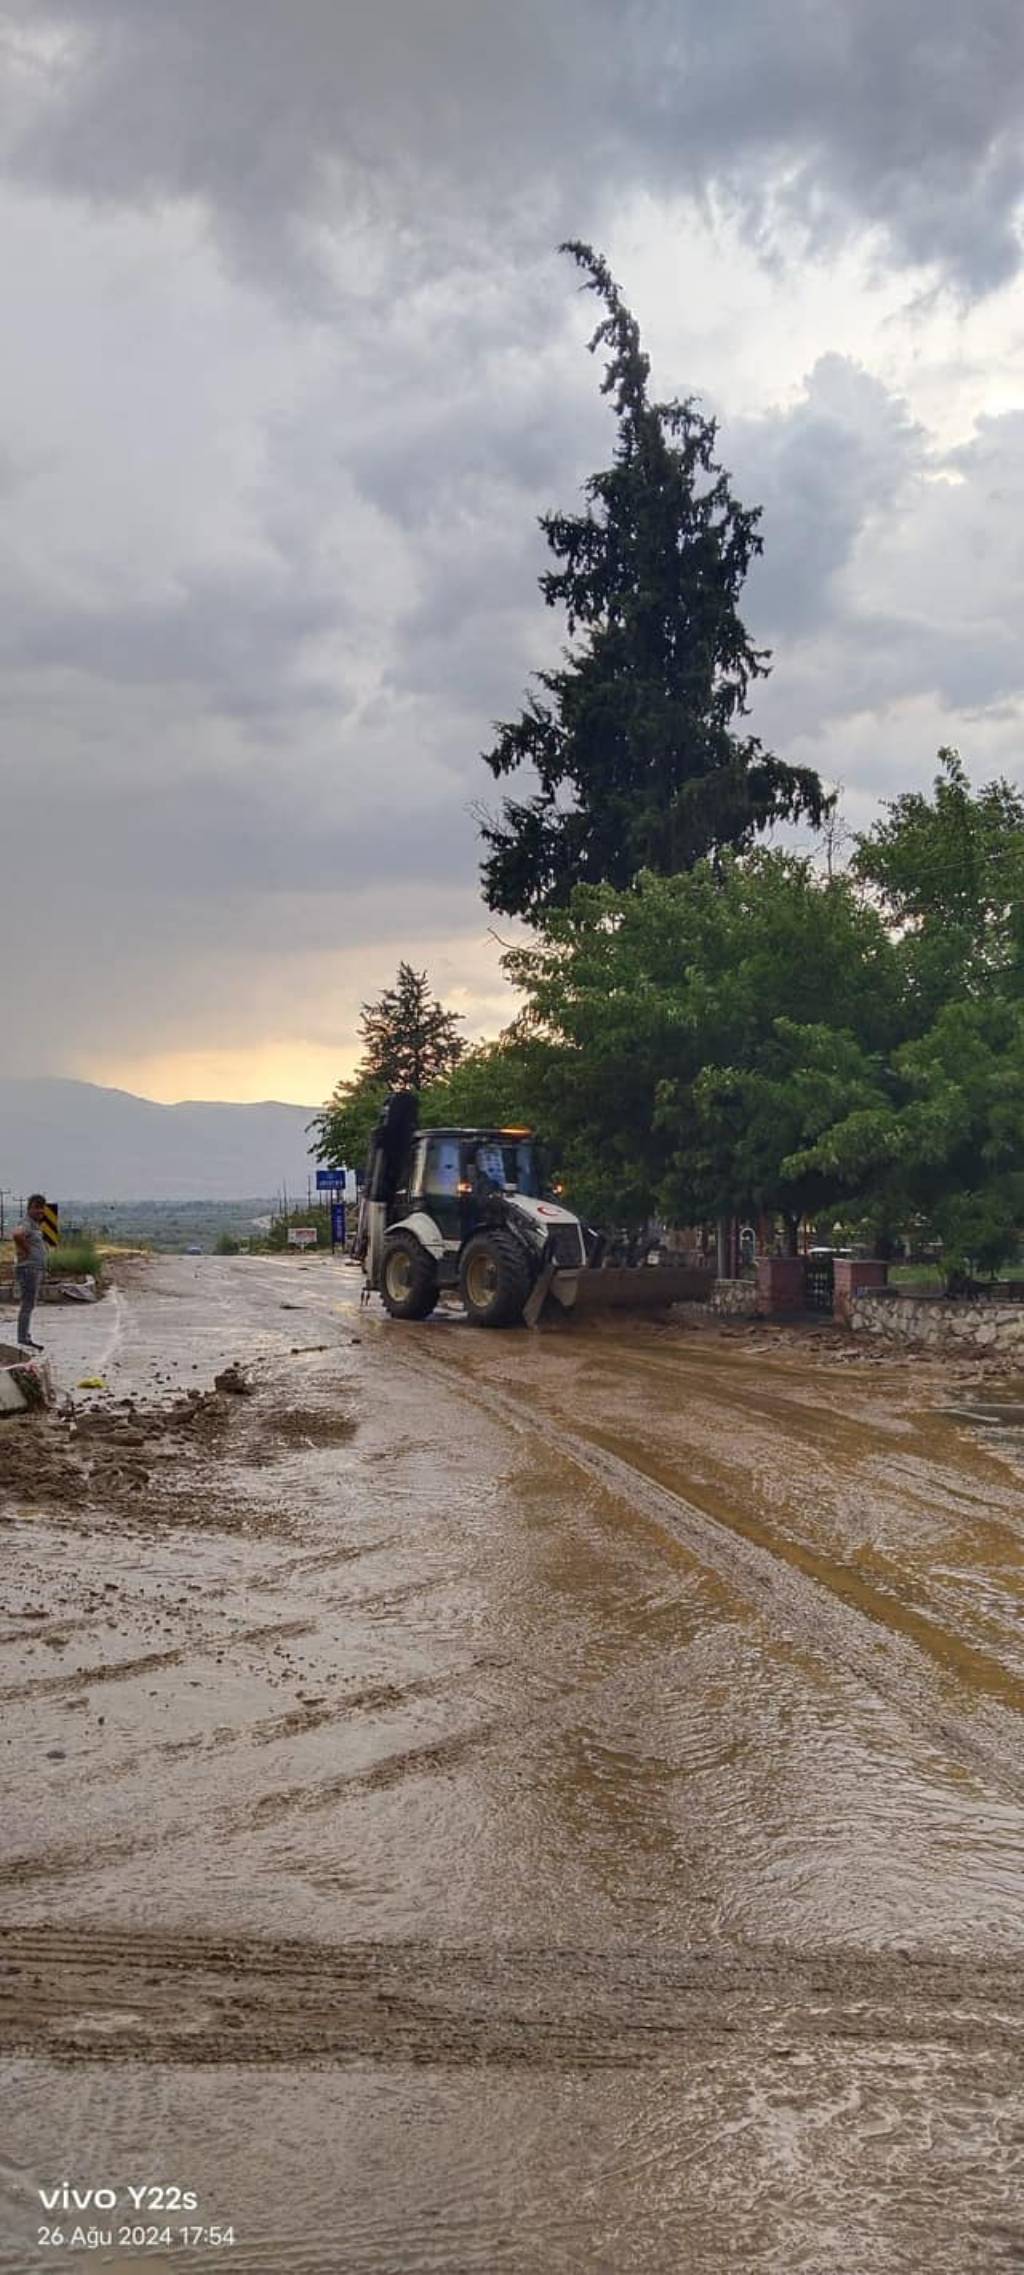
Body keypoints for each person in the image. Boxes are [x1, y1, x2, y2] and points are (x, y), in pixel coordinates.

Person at [12, 1193, 47, 1351]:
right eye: (36, 1207)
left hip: (34, 1268)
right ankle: (23, 1338)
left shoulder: (34, 1224)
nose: (40, 1211)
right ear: (29, 1208)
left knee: (29, 1304)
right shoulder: (26, 1223)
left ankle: (25, 1336)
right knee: (27, 1304)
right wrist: (27, 1251)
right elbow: (17, 1234)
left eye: (42, 1208)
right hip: (29, 1269)